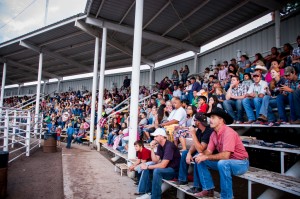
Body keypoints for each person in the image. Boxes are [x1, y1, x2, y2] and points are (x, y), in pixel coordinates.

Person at [193, 108, 249, 198]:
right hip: (228, 162)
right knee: (200, 159)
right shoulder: (213, 134)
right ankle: (208, 189)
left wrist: (206, 157)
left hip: (241, 163)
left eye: (213, 117)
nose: (210, 120)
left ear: (221, 120)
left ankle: (227, 197)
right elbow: (209, 151)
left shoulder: (228, 133)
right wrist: (202, 155)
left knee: (222, 163)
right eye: (210, 117)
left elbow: (226, 156)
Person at [137, 128, 181, 199]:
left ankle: (155, 197)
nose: (154, 138)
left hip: (174, 171)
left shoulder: (169, 146)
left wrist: (147, 167)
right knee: (149, 165)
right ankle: (147, 191)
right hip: (167, 168)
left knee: (156, 171)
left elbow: (163, 165)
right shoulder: (160, 145)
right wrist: (152, 148)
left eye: (156, 136)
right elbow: (155, 160)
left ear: (162, 136)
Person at [175, 113, 213, 191]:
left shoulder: (208, 130)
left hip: (207, 154)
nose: (193, 122)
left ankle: (197, 186)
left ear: (198, 122)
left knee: (197, 157)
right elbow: (195, 144)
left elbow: (201, 149)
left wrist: (193, 134)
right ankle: (182, 179)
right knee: (185, 153)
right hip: (201, 152)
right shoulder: (199, 130)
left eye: (194, 120)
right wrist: (189, 153)